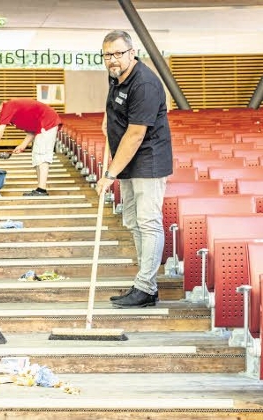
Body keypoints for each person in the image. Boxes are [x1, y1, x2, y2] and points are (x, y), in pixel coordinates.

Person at [95, 30, 173, 308]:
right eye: (107, 55)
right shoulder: (116, 74)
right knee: (133, 221)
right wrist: (108, 120)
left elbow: (136, 134)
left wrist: (108, 175)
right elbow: (114, 105)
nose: (112, 59)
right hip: (127, 161)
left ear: (132, 52)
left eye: (117, 53)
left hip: (148, 161)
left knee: (148, 222)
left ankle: (146, 287)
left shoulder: (145, 85)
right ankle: (145, 284)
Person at [0, 98, 62, 196]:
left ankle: (42, 190)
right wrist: (23, 145)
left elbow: (0, 131)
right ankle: (40, 189)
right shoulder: (13, 112)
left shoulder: (8, 107)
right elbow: (32, 130)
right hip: (42, 125)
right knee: (37, 156)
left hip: (48, 122)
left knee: (42, 154)